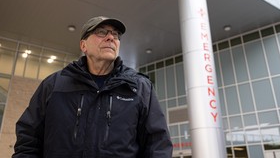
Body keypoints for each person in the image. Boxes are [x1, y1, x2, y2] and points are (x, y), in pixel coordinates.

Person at [12, 16, 173, 158]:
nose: (111, 37)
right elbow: (28, 138)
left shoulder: (139, 87)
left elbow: (158, 145)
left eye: (116, 34)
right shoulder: (53, 86)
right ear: (83, 45)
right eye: (102, 32)